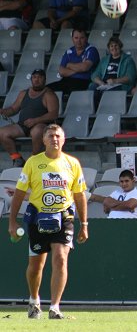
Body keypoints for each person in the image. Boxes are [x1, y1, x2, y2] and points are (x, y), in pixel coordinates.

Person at [8, 124, 88, 319]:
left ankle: (55, 307)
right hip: (38, 217)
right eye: (50, 136)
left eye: (58, 136)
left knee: (61, 258)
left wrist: (84, 224)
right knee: (36, 265)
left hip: (64, 217)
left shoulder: (72, 163)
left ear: (64, 139)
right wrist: (12, 221)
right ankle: (34, 301)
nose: (54, 139)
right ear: (43, 140)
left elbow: (79, 195)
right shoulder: (33, 163)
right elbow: (19, 193)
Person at [0, 68, 59, 167]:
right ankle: (17, 159)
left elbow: (54, 114)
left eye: (40, 77)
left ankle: (33, 160)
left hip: (41, 125)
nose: (37, 80)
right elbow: (13, 109)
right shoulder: (23, 93)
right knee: (2, 132)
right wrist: (3, 111)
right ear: (31, 79)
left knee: (37, 131)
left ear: (44, 80)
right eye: (34, 77)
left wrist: (35, 120)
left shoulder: (49, 95)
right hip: (23, 125)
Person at [47, 28, 100, 95]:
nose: (79, 41)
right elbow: (61, 72)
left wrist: (69, 65)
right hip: (66, 80)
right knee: (46, 90)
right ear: (72, 39)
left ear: (86, 38)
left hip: (84, 82)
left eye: (82, 38)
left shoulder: (91, 50)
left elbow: (85, 67)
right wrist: (79, 69)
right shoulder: (69, 51)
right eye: (76, 38)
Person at [88, 36, 137, 104]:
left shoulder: (128, 60)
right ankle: (94, 110)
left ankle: (105, 109)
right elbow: (95, 74)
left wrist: (115, 81)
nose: (114, 48)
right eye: (111, 46)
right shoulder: (104, 60)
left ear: (120, 46)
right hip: (104, 84)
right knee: (92, 86)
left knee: (108, 91)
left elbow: (130, 77)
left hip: (119, 85)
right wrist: (100, 82)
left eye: (116, 45)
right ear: (109, 48)